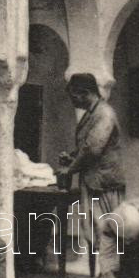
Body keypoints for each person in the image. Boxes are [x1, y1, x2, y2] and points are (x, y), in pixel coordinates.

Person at [58, 73, 126, 255]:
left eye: (74, 96)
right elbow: (86, 146)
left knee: (107, 231)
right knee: (95, 231)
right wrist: (72, 157)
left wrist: (70, 169)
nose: (72, 101)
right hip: (93, 181)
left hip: (104, 183)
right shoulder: (92, 113)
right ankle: (101, 269)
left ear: (85, 93)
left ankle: (110, 271)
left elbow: (93, 149)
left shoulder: (104, 114)